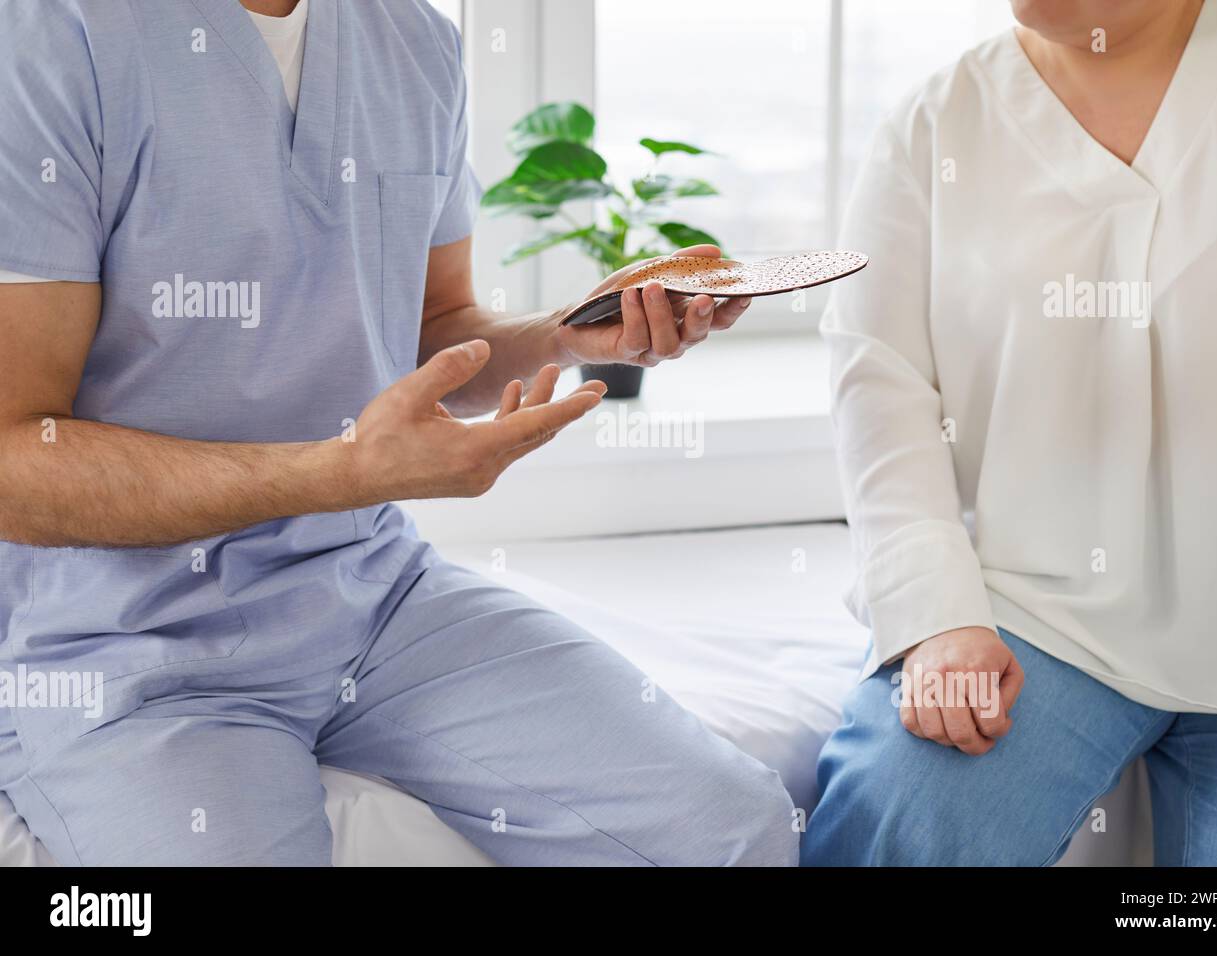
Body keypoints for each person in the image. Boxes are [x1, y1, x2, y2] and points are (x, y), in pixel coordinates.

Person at [0, 0, 793, 866]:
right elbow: (14, 459)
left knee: (731, 829)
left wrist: (567, 332)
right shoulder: (54, 36)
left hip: (371, 594)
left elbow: (436, 326)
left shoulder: (413, 38)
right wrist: (344, 471)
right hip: (118, 638)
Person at [804, 0, 1217, 866]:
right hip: (1037, 616)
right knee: (905, 816)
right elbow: (880, 388)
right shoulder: (932, 127)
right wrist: (933, 618)